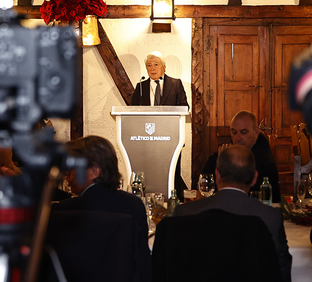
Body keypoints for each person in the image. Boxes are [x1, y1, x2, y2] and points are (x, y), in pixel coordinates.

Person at [174, 144, 292, 282]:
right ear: (254, 178)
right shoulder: (270, 217)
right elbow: (280, 276)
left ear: (217, 175)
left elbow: (174, 272)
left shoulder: (184, 212)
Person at [52, 135, 148, 237]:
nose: (66, 174)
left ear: (94, 171)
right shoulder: (135, 204)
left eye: (72, 168)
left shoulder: (64, 211)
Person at [131, 51, 189, 200]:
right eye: (149, 65)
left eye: (156, 64)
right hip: (146, 139)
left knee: (172, 171)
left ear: (164, 67)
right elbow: (133, 112)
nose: (152, 68)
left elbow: (185, 107)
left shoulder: (176, 84)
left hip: (171, 137)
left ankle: (174, 200)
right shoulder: (141, 87)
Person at [198, 110, 281, 203]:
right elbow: (204, 181)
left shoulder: (263, 157)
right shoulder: (231, 149)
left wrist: (224, 164)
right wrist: (221, 160)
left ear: (256, 133)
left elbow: (239, 188)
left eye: (243, 132)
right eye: (234, 132)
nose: (238, 138)